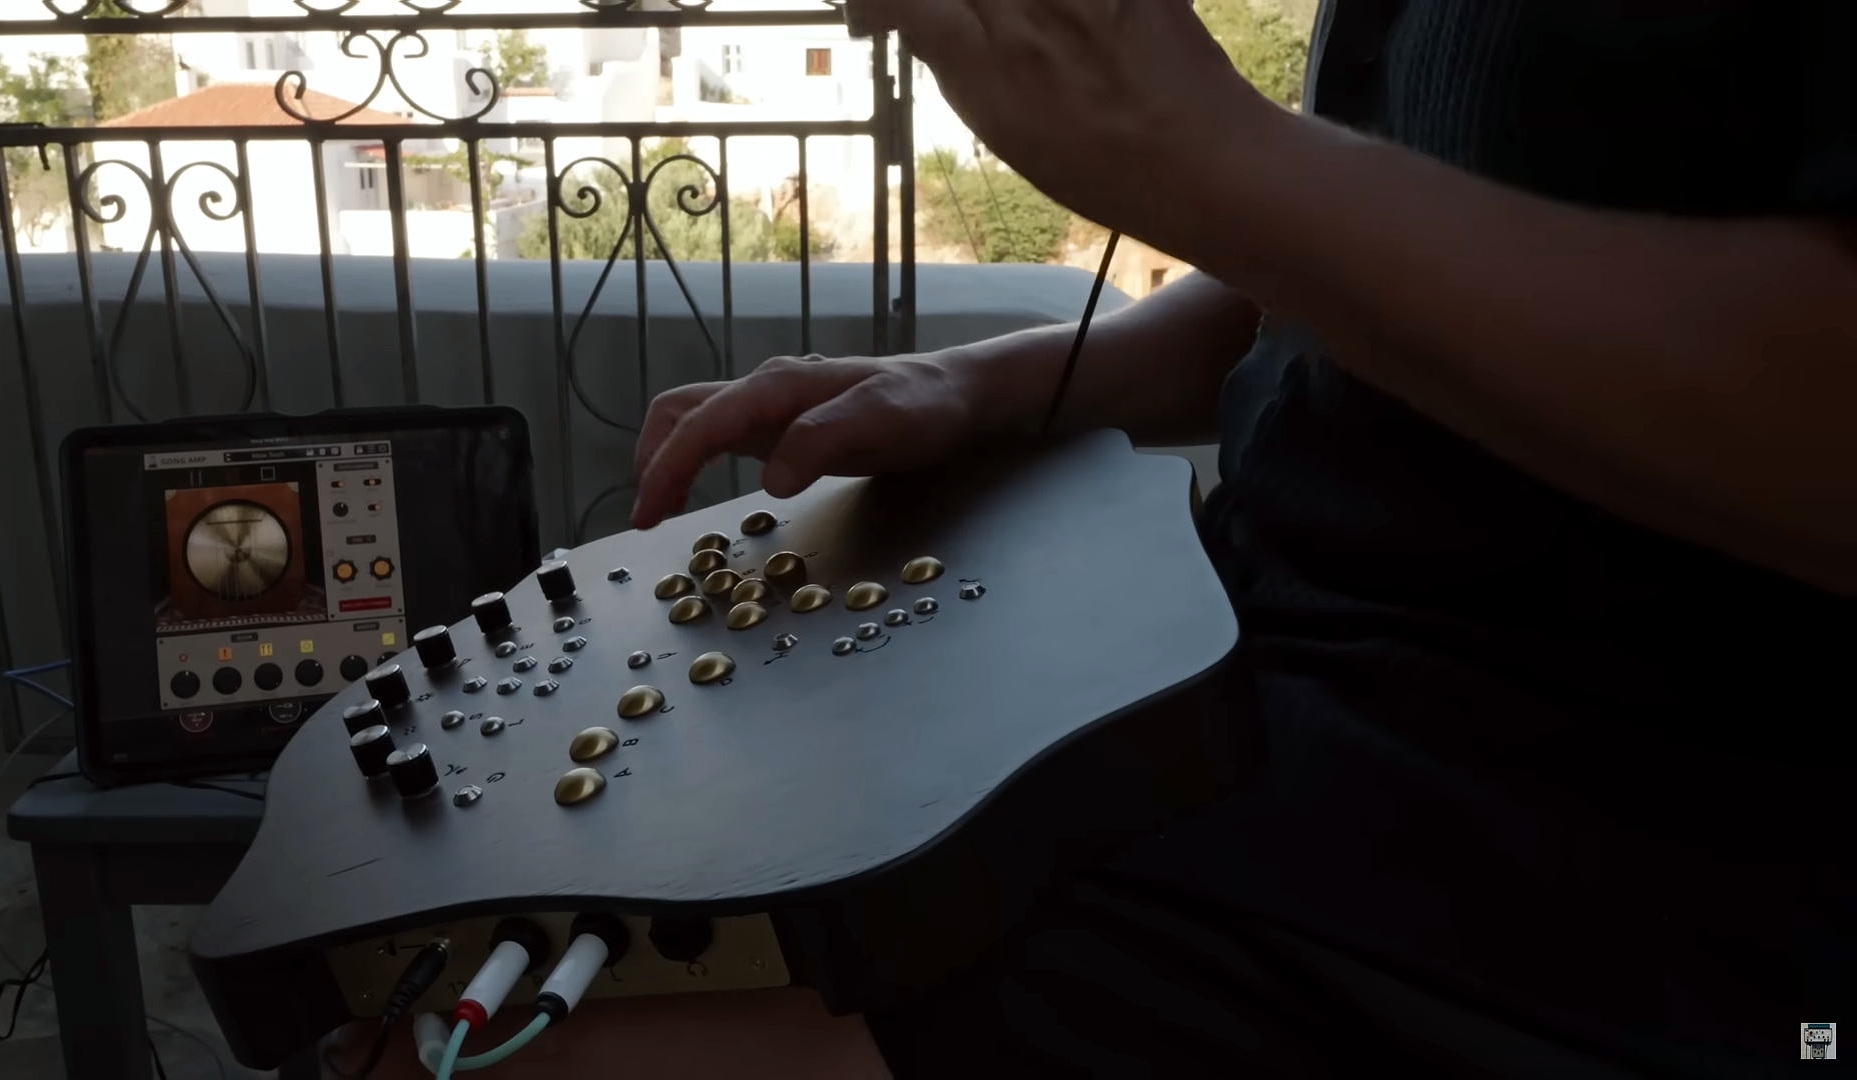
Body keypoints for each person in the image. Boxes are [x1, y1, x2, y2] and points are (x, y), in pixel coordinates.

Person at [346, 0, 1854, 1075]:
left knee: (463, 1047)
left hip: (1598, 889)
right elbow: (1367, 257)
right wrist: (981, 383)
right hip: (1246, 695)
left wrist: (1200, 151)